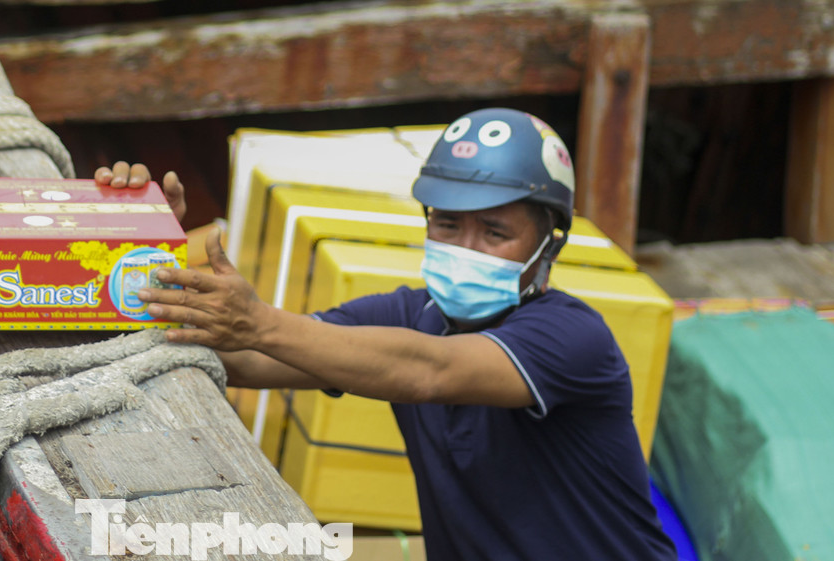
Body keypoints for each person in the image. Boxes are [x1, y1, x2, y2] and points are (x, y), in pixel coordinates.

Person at [96, 108, 677, 561]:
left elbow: (432, 371)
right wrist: (144, 257)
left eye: (495, 232)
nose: (464, 248)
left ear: (550, 244)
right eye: (447, 224)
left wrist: (260, 321)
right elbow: (248, 360)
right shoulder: (406, 315)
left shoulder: (573, 337)